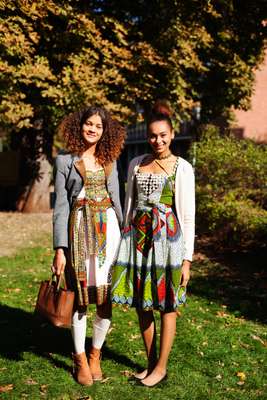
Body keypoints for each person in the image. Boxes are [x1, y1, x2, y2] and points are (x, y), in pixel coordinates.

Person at [111, 102, 195, 387]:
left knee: (167, 305)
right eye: (152, 135)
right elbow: (129, 204)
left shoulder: (182, 168)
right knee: (142, 304)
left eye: (162, 135)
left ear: (171, 135)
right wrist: (124, 240)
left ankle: (161, 367)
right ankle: (149, 364)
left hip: (168, 244)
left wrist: (187, 260)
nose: (157, 141)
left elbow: (188, 216)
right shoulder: (136, 163)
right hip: (138, 241)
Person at [52, 105, 125, 386]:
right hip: (81, 233)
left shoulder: (110, 158)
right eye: (88, 124)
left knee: (104, 297)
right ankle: (80, 357)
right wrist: (60, 249)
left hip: (109, 233)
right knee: (82, 295)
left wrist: (125, 231)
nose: (92, 129)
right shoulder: (64, 161)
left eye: (98, 126)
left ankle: (96, 353)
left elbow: (117, 197)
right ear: (79, 126)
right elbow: (60, 206)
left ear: (105, 132)